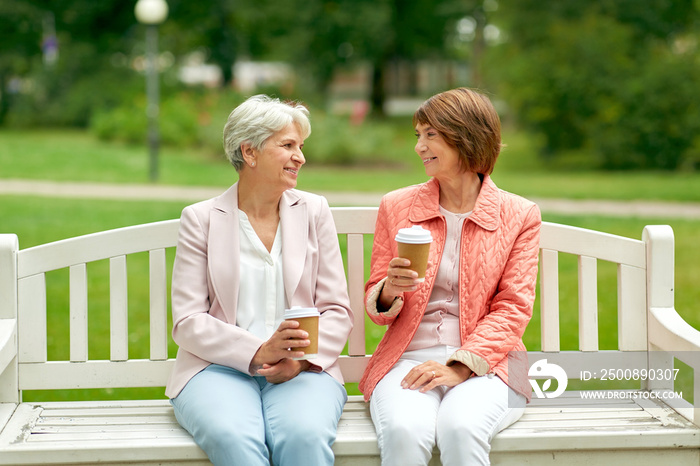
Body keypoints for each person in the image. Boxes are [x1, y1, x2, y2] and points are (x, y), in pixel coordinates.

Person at [165, 95, 353, 466]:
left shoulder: (314, 211)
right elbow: (188, 321)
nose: (300, 156)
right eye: (287, 145)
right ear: (249, 152)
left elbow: (336, 309)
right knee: (234, 437)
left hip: (304, 367)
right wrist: (258, 351)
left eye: (301, 146)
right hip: (216, 369)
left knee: (305, 437)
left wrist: (299, 360)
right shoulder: (201, 219)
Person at [360, 87, 541, 465]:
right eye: (418, 135)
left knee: (461, 428)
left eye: (431, 135)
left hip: (496, 365)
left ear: (466, 137)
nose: (419, 147)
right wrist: (389, 288)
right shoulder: (397, 206)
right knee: (403, 431)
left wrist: (460, 367)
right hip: (407, 359)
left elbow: (513, 308)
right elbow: (377, 308)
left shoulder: (520, 214)